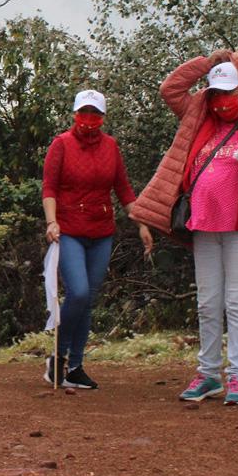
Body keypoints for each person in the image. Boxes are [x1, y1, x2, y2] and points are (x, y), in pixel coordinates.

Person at [130, 50, 238, 406]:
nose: (221, 99)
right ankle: (208, 374)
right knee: (208, 303)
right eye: (216, 91)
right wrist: (212, 61)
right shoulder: (199, 117)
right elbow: (171, 88)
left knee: (237, 301)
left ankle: (237, 377)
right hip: (204, 225)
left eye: (228, 91)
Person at [41, 90, 153, 390]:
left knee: (87, 299)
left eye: (94, 114)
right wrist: (51, 222)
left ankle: (75, 365)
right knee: (77, 293)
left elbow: (124, 189)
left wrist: (142, 223)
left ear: (103, 117)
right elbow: (49, 187)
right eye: (83, 113)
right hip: (69, 230)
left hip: (101, 231)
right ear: (75, 114)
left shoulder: (111, 146)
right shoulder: (61, 144)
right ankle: (57, 356)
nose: (88, 119)